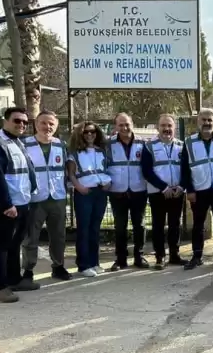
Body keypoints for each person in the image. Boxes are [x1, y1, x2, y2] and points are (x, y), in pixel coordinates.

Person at [0, 107, 38, 303]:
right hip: (4, 205)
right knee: (1, 245)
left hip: (20, 201)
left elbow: (25, 170)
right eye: (16, 121)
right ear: (5, 121)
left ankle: (14, 279)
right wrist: (6, 205)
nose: (21, 124)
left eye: (24, 122)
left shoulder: (16, 142)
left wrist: (31, 192)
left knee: (15, 243)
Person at [21, 110, 71, 282]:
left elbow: (68, 168)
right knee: (31, 237)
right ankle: (28, 271)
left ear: (56, 126)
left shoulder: (61, 145)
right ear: (36, 124)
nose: (47, 127)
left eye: (51, 124)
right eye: (43, 123)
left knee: (58, 236)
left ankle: (58, 266)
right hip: (34, 199)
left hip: (57, 197)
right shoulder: (24, 144)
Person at [180, 109, 213, 270]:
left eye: (210, 120)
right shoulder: (189, 142)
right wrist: (190, 190)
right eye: (204, 120)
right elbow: (185, 168)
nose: (207, 123)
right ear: (198, 122)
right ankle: (197, 256)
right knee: (198, 225)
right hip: (199, 189)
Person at [140, 114, 188, 270]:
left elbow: (186, 170)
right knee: (158, 225)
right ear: (157, 127)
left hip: (177, 192)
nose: (167, 129)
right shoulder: (149, 147)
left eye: (170, 126)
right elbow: (147, 171)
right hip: (158, 193)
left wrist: (181, 187)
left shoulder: (182, 145)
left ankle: (174, 254)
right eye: (163, 126)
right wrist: (164, 188)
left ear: (174, 128)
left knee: (175, 224)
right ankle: (160, 257)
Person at [67, 121, 111, 278]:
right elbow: (71, 173)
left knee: (95, 229)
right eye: (86, 132)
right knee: (84, 229)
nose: (90, 135)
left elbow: (105, 170)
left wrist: (108, 182)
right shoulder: (75, 153)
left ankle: (94, 262)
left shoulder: (102, 151)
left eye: (93, 132)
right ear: (80, 135)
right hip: (85, 193)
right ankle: (83, 264)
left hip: (100, 192)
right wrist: (79, 187)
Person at [106, 112, 149, 271]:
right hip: (117, 190)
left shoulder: (143, 143)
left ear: (132, 124)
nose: (124, 127)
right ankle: (120, 259)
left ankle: (139, 256)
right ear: (115, 127)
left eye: (127, 124)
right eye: (120, 125)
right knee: (120, 226)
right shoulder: (108, 144)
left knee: (140, 225)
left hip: (139, 189)